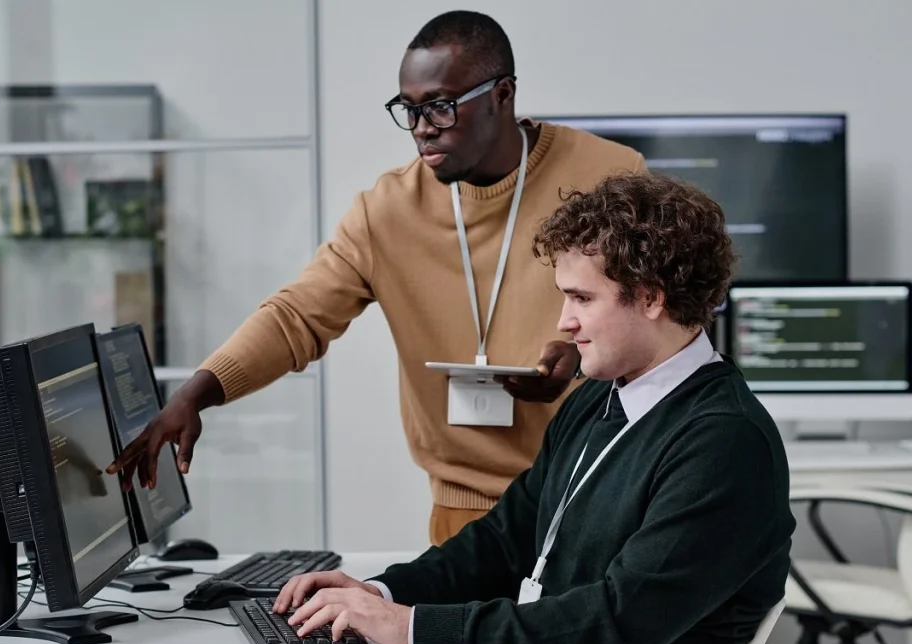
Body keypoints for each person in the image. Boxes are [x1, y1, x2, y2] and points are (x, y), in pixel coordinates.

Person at [105, 10, 646, 546]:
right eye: (408, 110)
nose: (421, 129)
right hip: (464, 519)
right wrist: (194, 396)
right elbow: (297, 317)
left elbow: (662, 320)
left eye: (440, 106)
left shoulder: (609, 176)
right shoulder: (387, 210)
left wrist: (587, 356)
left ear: (502, 95)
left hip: (594, 500)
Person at [271, 172, 796, 644]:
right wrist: (381, 593)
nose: (564, 322)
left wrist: (412, 625)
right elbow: (507, 541)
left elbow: (614, 623)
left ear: (652, 297)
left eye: (582, 299)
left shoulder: (724, 443)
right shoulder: (600, 398)